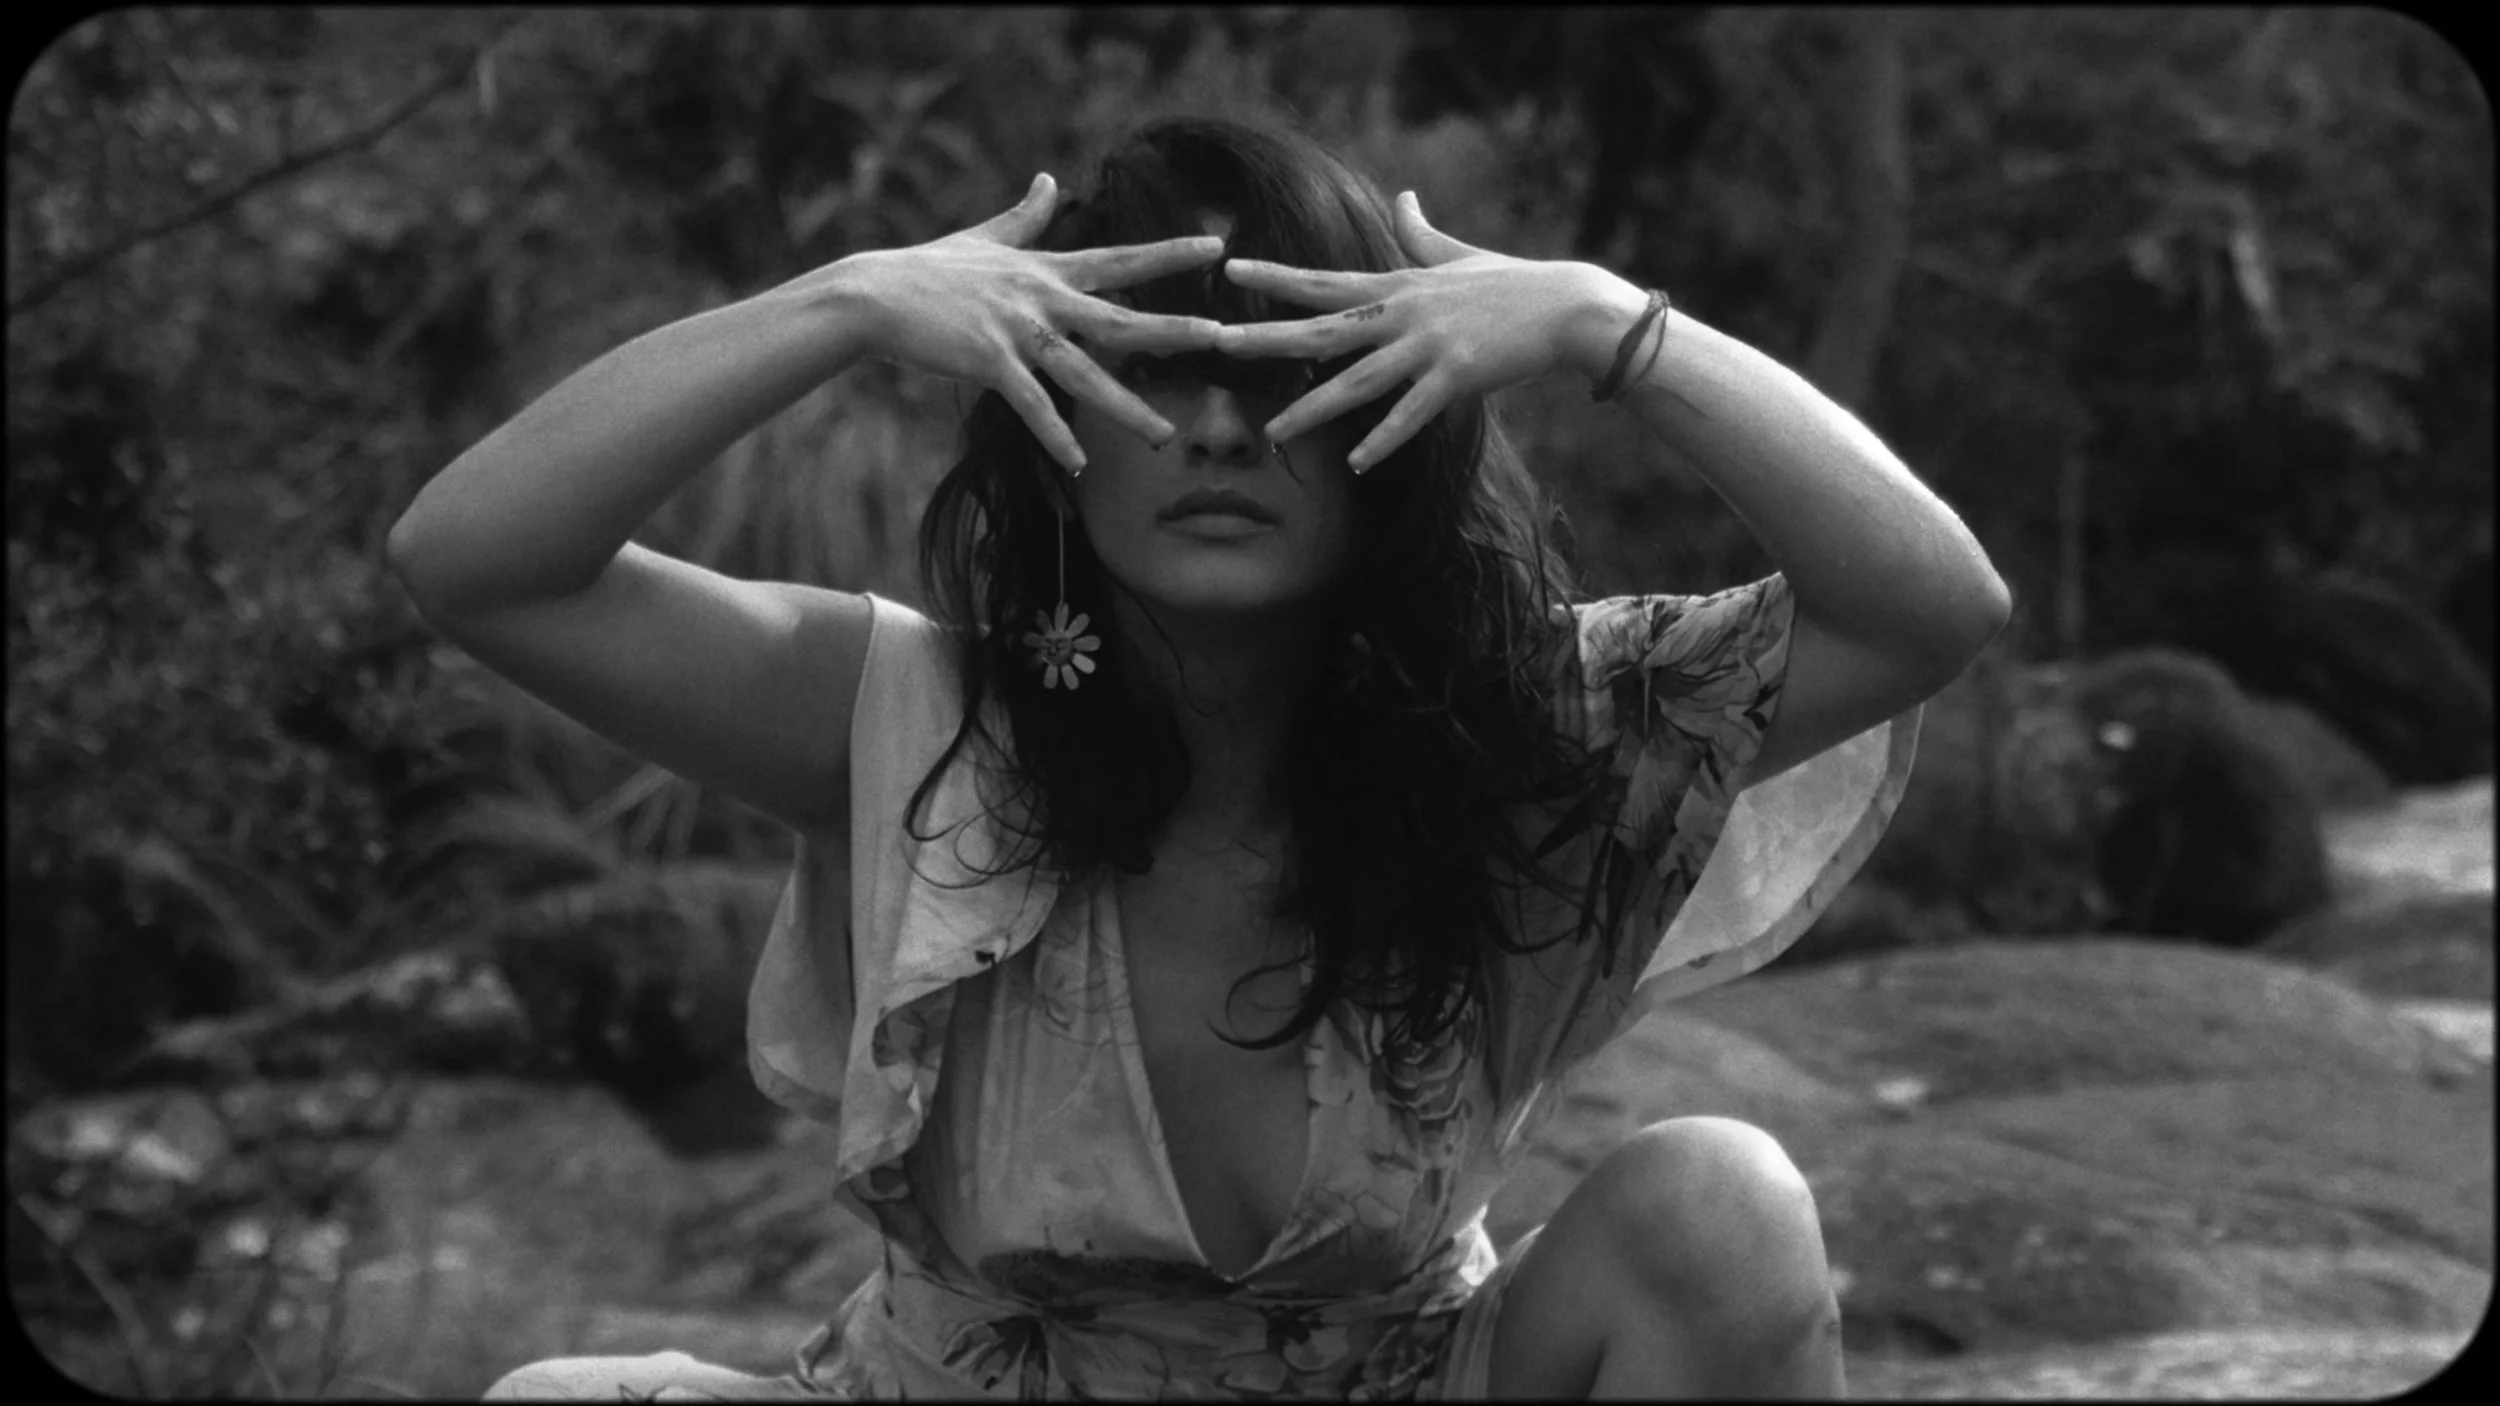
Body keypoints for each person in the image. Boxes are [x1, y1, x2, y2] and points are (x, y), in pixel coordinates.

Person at [396, 114, 2005, 1399]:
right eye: (1159, 366)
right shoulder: (898, 717)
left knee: (1723, 1200)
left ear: (1400, 422)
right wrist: (848, 303)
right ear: (1055, 419)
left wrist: (1603, 323)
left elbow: (1931, 603)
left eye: (1285, 374)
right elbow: (478, 559)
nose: (1222, 431)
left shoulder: (1527, 736)